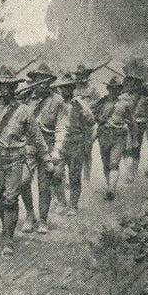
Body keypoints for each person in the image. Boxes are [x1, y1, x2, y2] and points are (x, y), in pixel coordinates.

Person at [0, 66, 47, 257]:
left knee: (10, 198)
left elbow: (36, 135)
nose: (4, 90)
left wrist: (46, 157)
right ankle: (6, 225)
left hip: (15, 158)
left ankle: (8, 238)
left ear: (14, 88)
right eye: (1, 86)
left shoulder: (24, 110)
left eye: (9, 86)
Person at [27, 63, 68, 232]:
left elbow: (61, 126)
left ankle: (43, 219)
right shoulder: (26, 98)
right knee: (22, 182)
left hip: (48, 145)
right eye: (39, 79)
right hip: (28, 144)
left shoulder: (58, 100)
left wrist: (57, 150)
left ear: (51, 82)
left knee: (44, 185)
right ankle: (30, 215)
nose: (42, 83)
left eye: (46, 80)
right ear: (34, 80)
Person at [91, 73, 138, 200]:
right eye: (112, 88)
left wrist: (133, 139)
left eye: (117, 89)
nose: (114, 91)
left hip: (119, 136)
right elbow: (93, 115)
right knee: (106, 163)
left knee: (114, 163)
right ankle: (109, 186)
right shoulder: (101, 102)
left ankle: (111, 190)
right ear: (108, 89)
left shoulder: (125, 104)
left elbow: (132, 122)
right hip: (104, 135)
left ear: (120, 90)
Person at [55, 74, 94, 213]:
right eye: (62, 88)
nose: (64, 90)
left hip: (76, 142)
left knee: (74, 175)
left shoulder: (78, 103)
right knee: (56, 173)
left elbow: (91, 121)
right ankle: (61, 201)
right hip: (59, 143)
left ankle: (73, 205)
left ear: (72, 88)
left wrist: (83, 108)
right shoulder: (56, 103)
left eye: (67, 87)